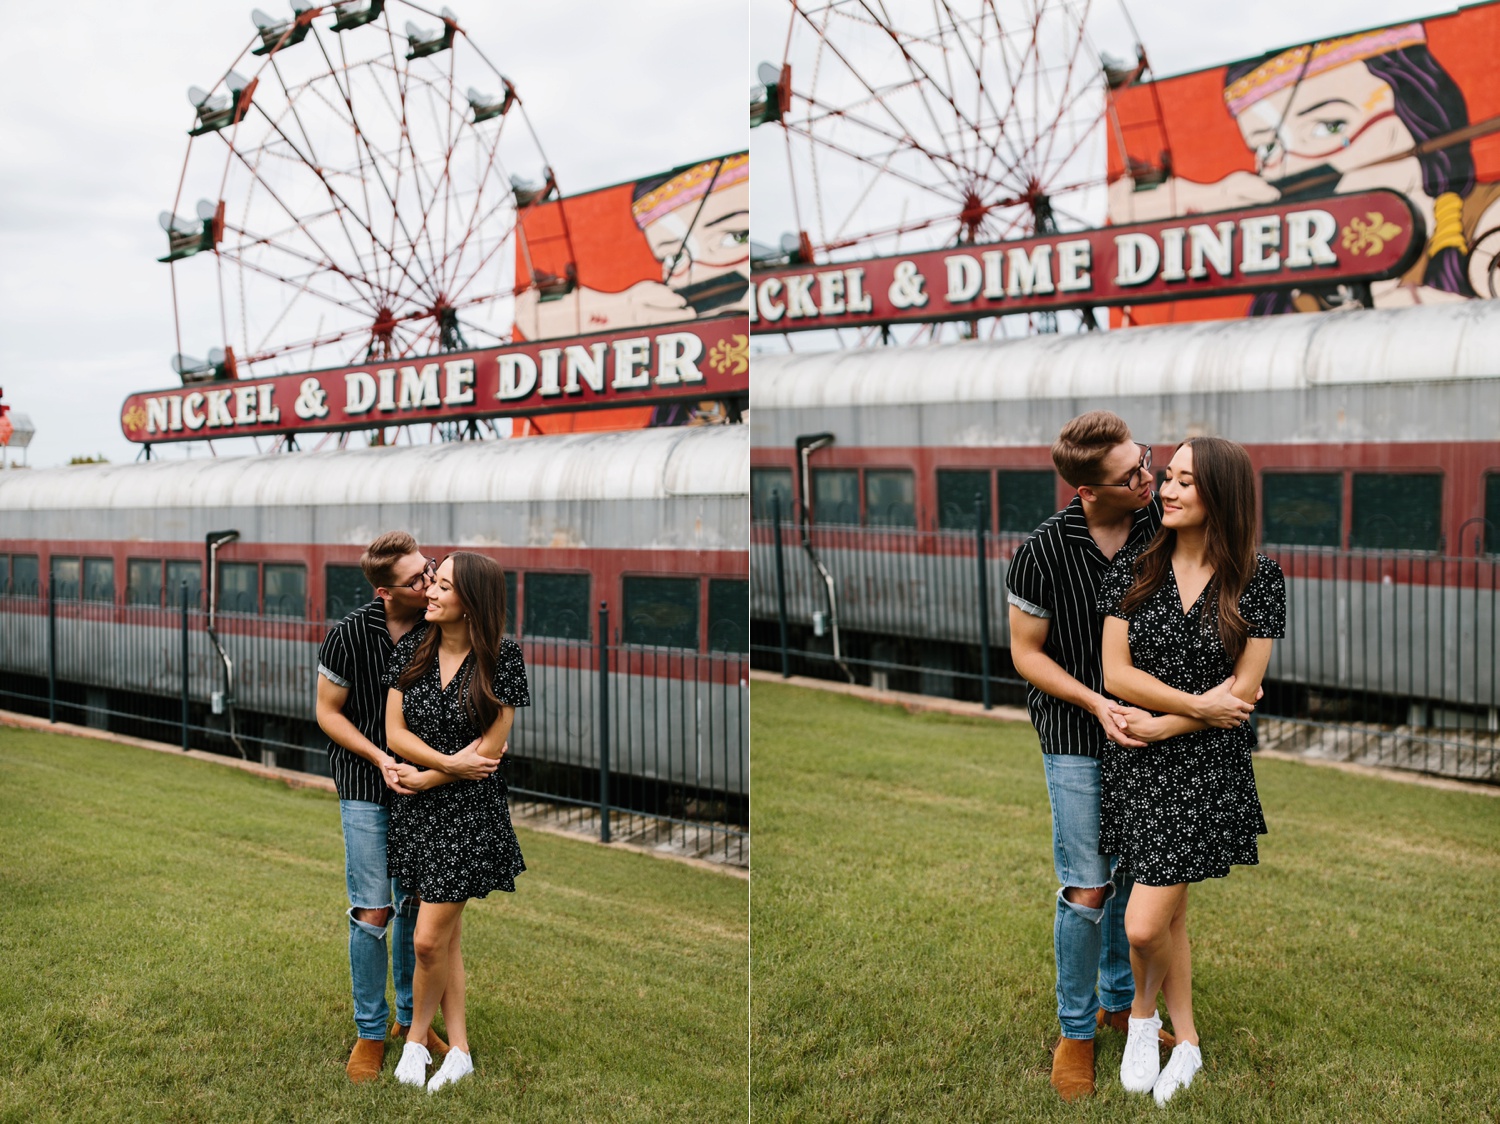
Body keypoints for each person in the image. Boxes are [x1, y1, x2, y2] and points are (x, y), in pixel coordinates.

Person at [1097, 437, 1286, 1105]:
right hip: (1140, 768)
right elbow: (1115, 672)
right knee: (1166, 914)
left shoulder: (1260, 579)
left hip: (1205, 768)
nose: (1167, 491)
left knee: (1144, 924)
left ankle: (1142, 1020)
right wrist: (1191, 705)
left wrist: (1170, 721)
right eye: (1167, 478)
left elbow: (1244, 691)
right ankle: (1188, 1042)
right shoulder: (1133, 568)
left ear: (1220, 497)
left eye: (1184, 482)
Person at [1005, 411, 1173, 1102]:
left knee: (1133, 874)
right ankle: (1076, 1031)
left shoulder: (1164, 525)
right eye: (1132, 473)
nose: (1149, 476)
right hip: (1074, 731)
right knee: (1087, 888)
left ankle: (1117, 999)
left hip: (1146, 724)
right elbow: (1025, 654)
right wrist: (1095, 702)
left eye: (1146, 460)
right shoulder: (1040, 551)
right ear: (1089, 491)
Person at [315, 532, 498, 1083]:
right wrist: (378, 758)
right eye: (417, 578)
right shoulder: (348, 635)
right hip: (367, 785)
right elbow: (327, 712)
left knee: (417, 907)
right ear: (384, 592)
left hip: (427, 789)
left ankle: (408, 1022)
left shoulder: (438, 628)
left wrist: (454, 764)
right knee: (373, 912)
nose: (428, 581)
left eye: (430, 570)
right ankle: (370, 1033)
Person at [384, 552, 530, 1093]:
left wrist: (429, 777)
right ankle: (460, 1050)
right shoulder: (412, 650)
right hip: (419, 813)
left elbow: (489, 752)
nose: (431, 593)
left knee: (426, 941)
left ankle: (417, 1042)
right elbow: (393, 732)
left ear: (471, 601)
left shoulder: (502, 658)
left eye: (443, 586)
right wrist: (442, 767)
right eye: (433, 584)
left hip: (469, 816)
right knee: (444, 939)